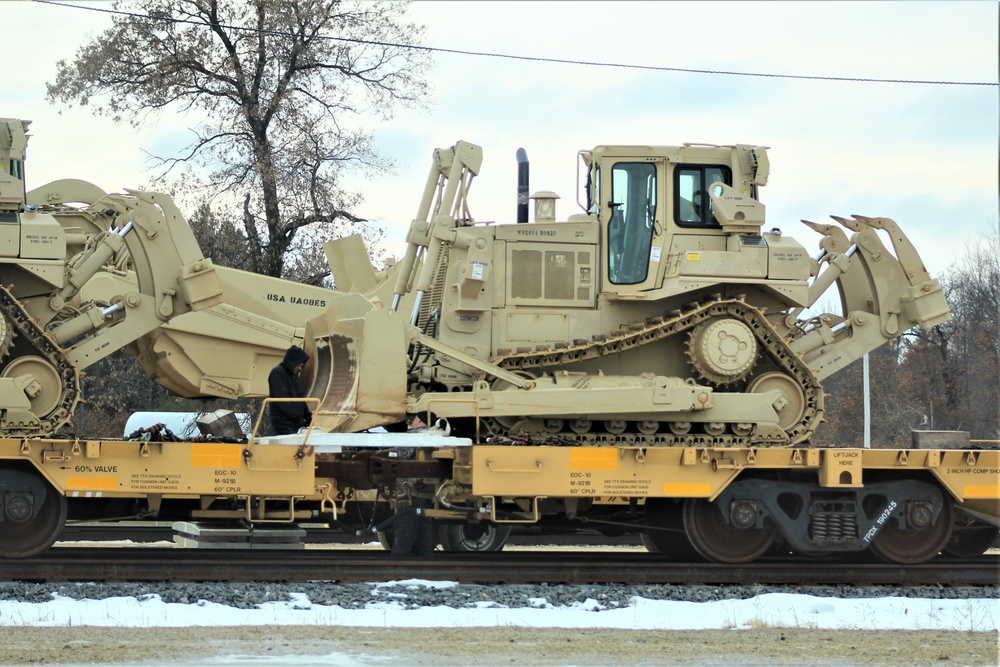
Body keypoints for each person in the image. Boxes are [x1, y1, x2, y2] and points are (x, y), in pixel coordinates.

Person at [390, 417, 436, 558]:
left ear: (421, 421)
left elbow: (399, 454)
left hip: (410, 489)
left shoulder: (414, 436)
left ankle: (398, 562)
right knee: (424, 529)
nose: (411, 422)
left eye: (414, 420)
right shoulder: (436, 436)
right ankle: (425, 562)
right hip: (428, 491)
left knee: (406, 527)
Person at [267, 345, 312, 435]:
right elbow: (282, 400)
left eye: (302, 366)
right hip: (283, 421)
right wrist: (297, 417)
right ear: (292, 362)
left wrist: (308, 416)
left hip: (293, 421)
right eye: (299, 365)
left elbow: (299, 399)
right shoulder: (277, 373)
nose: (300, 369)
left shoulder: (293, 375)